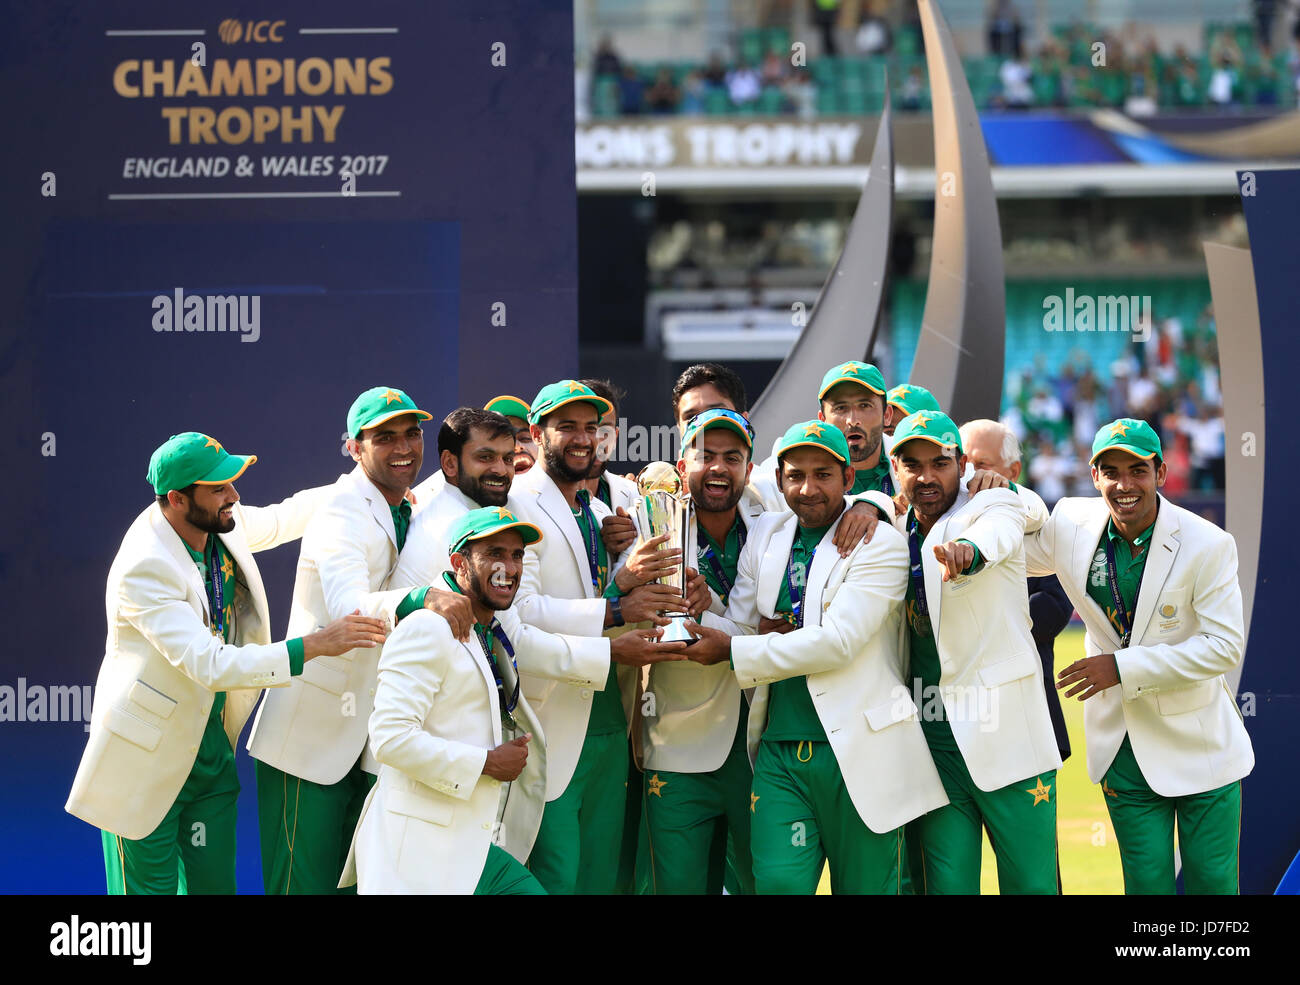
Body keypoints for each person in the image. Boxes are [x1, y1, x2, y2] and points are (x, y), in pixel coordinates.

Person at [66, 432, 388, 894]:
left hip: (210, 755)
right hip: (144, 760)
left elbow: (280, 519)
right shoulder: (144, 565)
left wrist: (369, 488)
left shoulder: (219, 524)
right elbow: (211, 664)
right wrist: (314, 645)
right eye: (218, 488)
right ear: (177, 499)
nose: (233, 497)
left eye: (231, 484)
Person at [686, 421, 947, 893]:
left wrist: (733, 648)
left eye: (823, 474)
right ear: (779, 479)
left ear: (849, 479)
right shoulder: (767, 536)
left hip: (862, 750)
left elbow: (838, 642)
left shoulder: (880, 542)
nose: (807, 489)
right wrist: (693, 618)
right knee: (778, 885)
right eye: (795, 475)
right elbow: (743, 627)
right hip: (780, 752)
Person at [247, 386, 472, 894]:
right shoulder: (342, 509)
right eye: (384, 436)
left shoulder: (405, 505)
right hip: (309, 740)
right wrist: (425, 599)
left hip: (368, 743)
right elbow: (350, 607)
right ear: (353, 447)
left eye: (412, 433)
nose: (403, 447)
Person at [1022, 419, 1253, 894]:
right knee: (1146, 888)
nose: (1125, 485)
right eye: (1111, 471)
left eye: (1138, 470)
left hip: (1202, 745)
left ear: (1161, 472)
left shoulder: (1208, 543)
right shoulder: (1070, 522)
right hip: (1123, 747)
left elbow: (1224, 646)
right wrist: (995, 491)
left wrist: (1121, 668)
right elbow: (1011, 547)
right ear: (1094, 476)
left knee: (1214, 889)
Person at [510, 380, 694, 893]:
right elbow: (522, 613)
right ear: (536, 432)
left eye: (591, 427)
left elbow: (613, 595)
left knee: (601, 880)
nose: (582, 438)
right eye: (566, 426)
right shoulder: (517, 504)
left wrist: (661, 591)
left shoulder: (597, 510)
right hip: (550, 717)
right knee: (555, 877)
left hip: (613, 714)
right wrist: (615, 607)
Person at [889, 410, 1061, 894]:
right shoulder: (887, 523)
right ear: (895, 468)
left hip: (1007, 736)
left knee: (1032, 887)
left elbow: (1006, 531)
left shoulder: (990, 506)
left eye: (939, 463)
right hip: (933, 746)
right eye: (912, 464)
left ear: (960, 464)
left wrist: (969, 552)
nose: (926, 476)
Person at [340, 508, 551, 894]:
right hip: (420, 850)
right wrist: (486, 762)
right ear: (459, 563)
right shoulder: (427, 626)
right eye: (495, 554)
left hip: (467, 842)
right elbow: (389, 738)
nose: (510, 567)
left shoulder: (488, 628)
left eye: (517, 555)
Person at [630, 409, 767, 893]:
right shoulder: (645, 524)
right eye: (705, 455)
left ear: (749, 470)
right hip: (677, 744)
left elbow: (778, 636)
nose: (718, 467)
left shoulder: (776, 527)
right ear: (681, 464)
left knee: (763, 884)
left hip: (759, 746)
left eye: (732, 457)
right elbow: (634, 618)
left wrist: (710, 612)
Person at [960, 420, 1072, 764]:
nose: (970, 475)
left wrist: (988, 629)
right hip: (958, 705)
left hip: (1024, 695)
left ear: (1014, 470)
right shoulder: (942, 522)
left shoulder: (1037, 525)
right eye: (962, 463)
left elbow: (1056, 603)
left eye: (981, 464)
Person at [752, 361, 897, 511]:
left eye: (865, 406)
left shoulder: (911, 460)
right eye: (840, 408)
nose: (853, 421)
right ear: (822, 420)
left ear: (887, 415)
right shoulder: (784, 462)